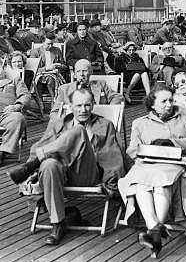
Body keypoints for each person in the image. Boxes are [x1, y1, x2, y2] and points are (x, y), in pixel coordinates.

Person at [7, 88, 125, 246]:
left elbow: (113, 155)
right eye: (78, 105)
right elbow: (39, 146)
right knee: (49, 164)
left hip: (86, 174)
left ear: (93, 104)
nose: (83, 110)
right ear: (70, 106)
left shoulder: (105, 125)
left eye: (87, 105)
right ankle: (58, 224)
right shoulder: (60, 123)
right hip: (60, 174)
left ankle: (31, 166)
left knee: (78, 130)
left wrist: (112, 182)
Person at [118, 85, 186, 258]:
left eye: (171, 100)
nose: (168, 104)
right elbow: (132, 149)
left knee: (161, 179)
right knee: (140, 181)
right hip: (148, 163)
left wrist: (172, 142)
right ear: (152, 104)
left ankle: (154, 229)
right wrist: (146, 153)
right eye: (163, 101)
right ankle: (155, 229)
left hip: (176, 163)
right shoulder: (140, 123)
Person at [50, 59, 124, 125]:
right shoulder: (64, 89)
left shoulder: (100, 85)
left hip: (97, 122)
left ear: (91, 72)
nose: (81, 74)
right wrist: (62, 124)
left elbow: (117, 97)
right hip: (73, 125)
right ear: (75, 74)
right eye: (78, 71)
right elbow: (55, 112)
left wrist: (109, 111)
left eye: (84, 71)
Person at [30, 33, 67, 111]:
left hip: (53, 75)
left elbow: (64, 65)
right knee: (37, 81)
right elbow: (33, 69)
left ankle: (54, 103)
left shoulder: (57, 50)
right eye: (48, 44)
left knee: (51, 79)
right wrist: (46, 68)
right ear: (43, 42)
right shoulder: (35, 52)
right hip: (39, 75)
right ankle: (41, 105)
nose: (50, 46)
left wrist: (59, 66)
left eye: (52, 44)